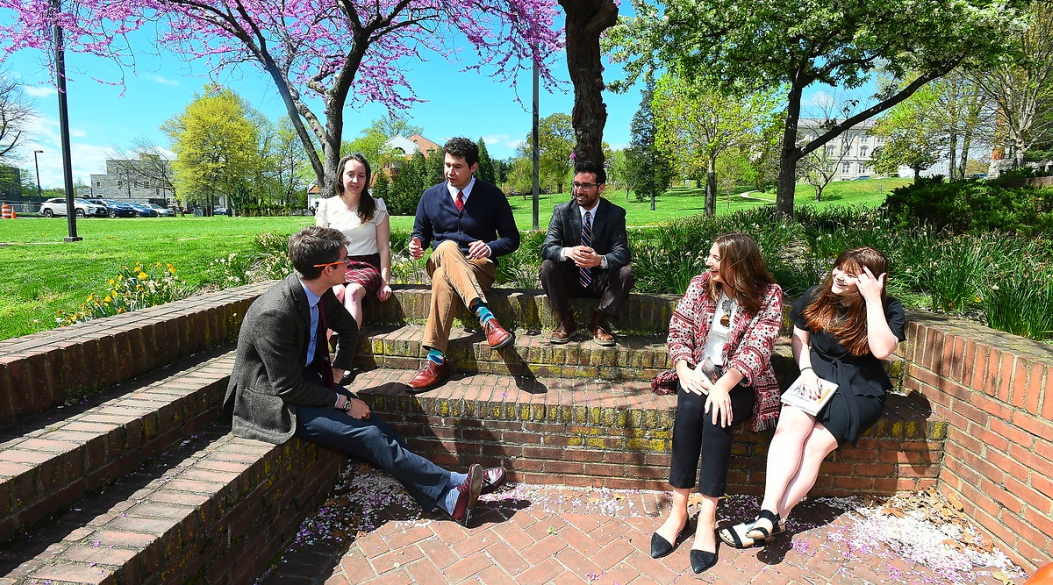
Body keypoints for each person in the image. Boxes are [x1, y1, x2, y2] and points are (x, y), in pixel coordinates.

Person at [222, 226, 507, 527]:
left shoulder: (318, 293)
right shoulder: (275, 313)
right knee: (369, 434)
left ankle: (451, 499)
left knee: (377, 424)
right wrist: (343, 403)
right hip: (273, 401)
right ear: (327, 269)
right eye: (345, 261)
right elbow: (287, 388)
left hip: (303, 383)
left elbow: (347, 329)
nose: (351, 265)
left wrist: (337, 370)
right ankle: (453, 482)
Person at [719, 247, 905, 549]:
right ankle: (768, 513)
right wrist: (805, 370)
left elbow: (882, 350)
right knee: (789, 427)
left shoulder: (889, 309)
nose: (840, 276)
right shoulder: (817, 295)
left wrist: (872, 300)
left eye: (852, 274)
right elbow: (799, 337)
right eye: (839, 268)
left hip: (859, 389)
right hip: (814, 376)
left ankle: (772, 519)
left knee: (814, 447)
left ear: (873, 281)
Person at [650, 232, 783, 574]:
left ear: (737, 264)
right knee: (691, 405)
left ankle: (707, 517)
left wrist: (724, 385)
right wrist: (682, 368)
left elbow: (759, 347)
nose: (707, 262)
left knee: (715, 411)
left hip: (742, 381)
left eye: (715, 258)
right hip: (700, 371)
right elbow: (677, 329)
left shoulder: (768, 296)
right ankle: (679, 510)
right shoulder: (700, 285)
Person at [406, 137, 520, 391]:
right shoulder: (430, 196)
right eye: (447, 165)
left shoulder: (492, 195)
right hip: (441, 259)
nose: (450, 172)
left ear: (473, 167)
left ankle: (435, 360)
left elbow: (513, 239)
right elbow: (421, 233)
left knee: (442, 279)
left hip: (479, 267)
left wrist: (491, 246)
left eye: (457, 166)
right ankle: (486, 317)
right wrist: (416, 243)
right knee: (446, 247)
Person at [539, 160, 633, 346]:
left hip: (600, 280)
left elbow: (622, 252)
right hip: (570, 279)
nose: (579, 191)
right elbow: (547, 247)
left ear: (601, 188)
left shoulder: (614, 214)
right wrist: (568, 252)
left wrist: (600, 260)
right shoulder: (562, 212)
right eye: (576, 185)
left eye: (586, 185)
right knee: (547, 267)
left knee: (626, 273)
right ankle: (566, 322)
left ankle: (599, 322)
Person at [316, 153, 393, 329]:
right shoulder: (327, 206)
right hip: (336, 264)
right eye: (350, 174)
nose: (355, 180)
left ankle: (347, 349)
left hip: (367, 265)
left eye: (361, 175)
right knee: (337, 292)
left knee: (352, 292)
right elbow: (321, 248)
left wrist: (385, 283)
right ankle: (320, 352)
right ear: (341, 176)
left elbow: (383, 248)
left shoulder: (376, 206)